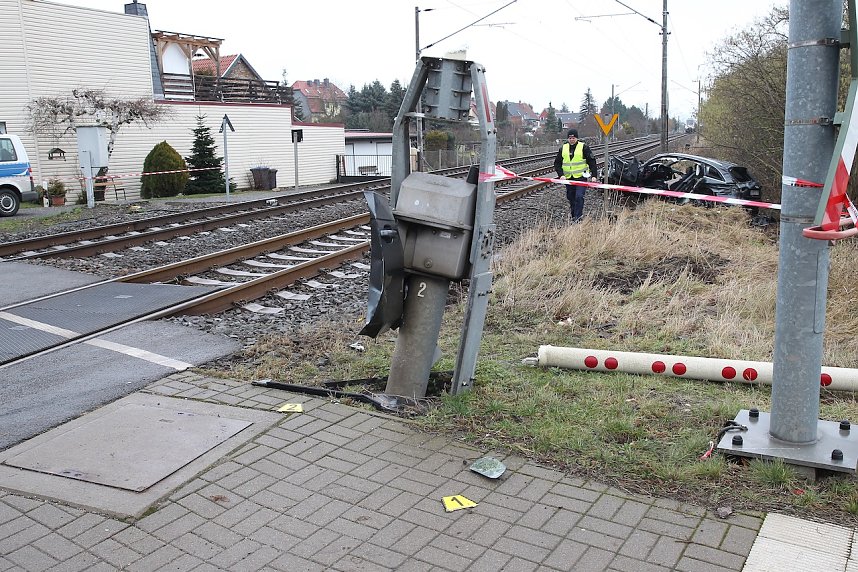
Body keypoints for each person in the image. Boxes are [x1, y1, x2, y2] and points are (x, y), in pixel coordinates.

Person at [553, 128, 598, 222]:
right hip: (568, 178)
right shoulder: (563, 148)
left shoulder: (584, 147)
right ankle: (574, 216)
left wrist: (594, 175)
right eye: (570, 138)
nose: (572, 139)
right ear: (568, 139)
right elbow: (557, 163)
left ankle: (578, 218)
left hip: (581, 177)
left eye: (573, 138)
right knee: (571, 197)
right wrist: (561, 175)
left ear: (577, 138)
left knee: (579, 196)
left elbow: (592, 162)